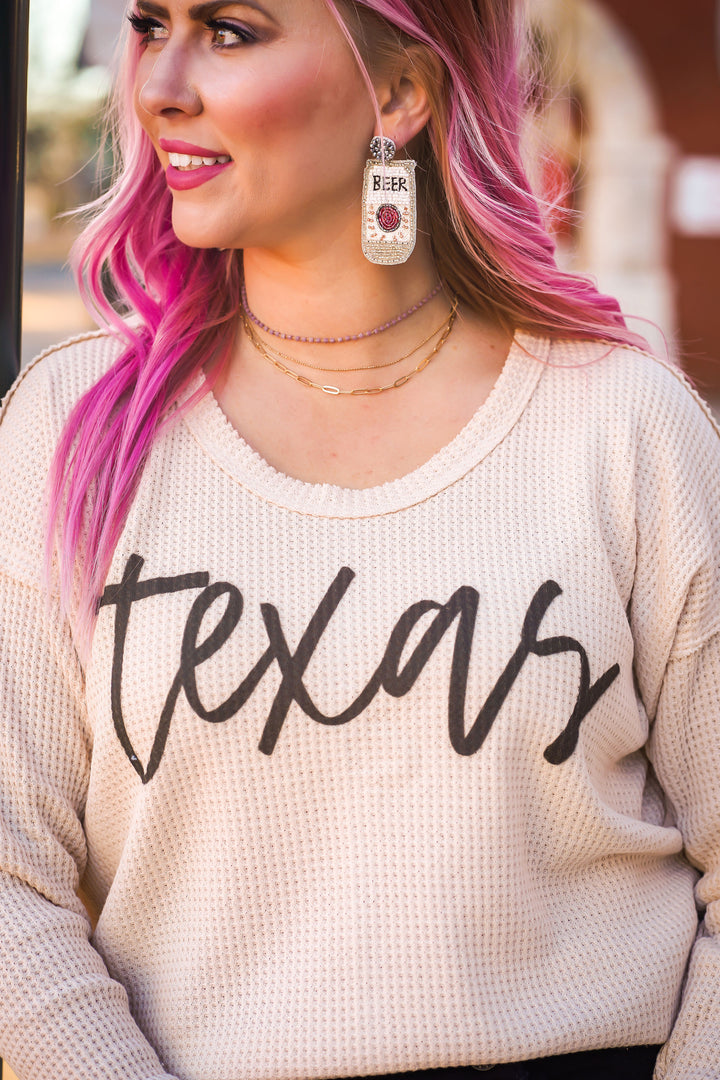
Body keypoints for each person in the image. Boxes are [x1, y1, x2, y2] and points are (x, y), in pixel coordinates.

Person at [0, 1, 718, 1078]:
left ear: (402, 92)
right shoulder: (73, 428)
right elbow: (11, 880)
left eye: (230, 30)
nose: (157, 85)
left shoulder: (623, 426)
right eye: (150, 24)